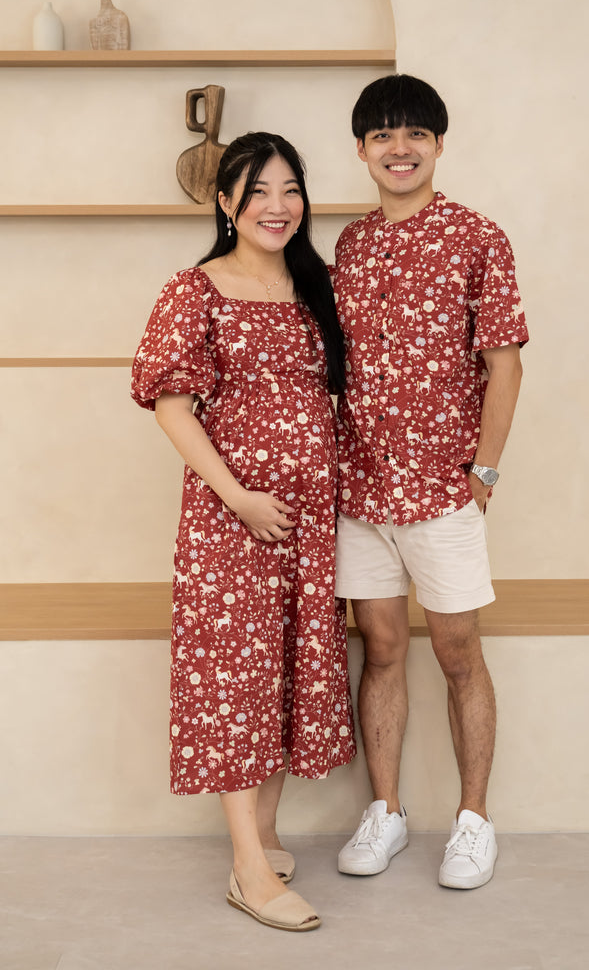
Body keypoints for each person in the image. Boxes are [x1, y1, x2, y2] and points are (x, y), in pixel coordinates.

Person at [131, 131, 356, 932]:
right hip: (232, 522)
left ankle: (263, 832)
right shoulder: (195, 289)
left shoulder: (314, 285)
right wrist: (240, 498)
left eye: (290, 188)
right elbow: (171, 408)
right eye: (257, 190)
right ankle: (247, 871)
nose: (276, 205)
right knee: (236, 680)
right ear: (226, 203)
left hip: (308, 524)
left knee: (287, 667)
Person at [332, 75, 529, 889]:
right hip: (359, 495)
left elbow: (504, 364)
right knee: (380, 650)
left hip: (442, 493)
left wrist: (482, 471)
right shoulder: (349, 246)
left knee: (456, 654)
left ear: (439, 144)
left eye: (415, 132)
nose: (400, 148)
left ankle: (473, 821)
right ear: (361, 150)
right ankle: (385, 812)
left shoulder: (477, 237)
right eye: (382, 135)